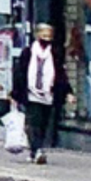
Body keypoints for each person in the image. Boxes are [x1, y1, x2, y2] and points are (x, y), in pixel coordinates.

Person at [10, 20, 71, 164]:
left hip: (48, 95)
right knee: (33, 122)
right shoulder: (28, 52)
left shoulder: (55, 53)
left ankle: (35, 151)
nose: (47, 38)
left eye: (49, 35)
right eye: (44, 35)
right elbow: (20, 73)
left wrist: (68, 92)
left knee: (44, 124)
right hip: (32, 94)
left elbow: (60, 74)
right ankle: (37, 150)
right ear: (37, 35)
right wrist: (15, 94)